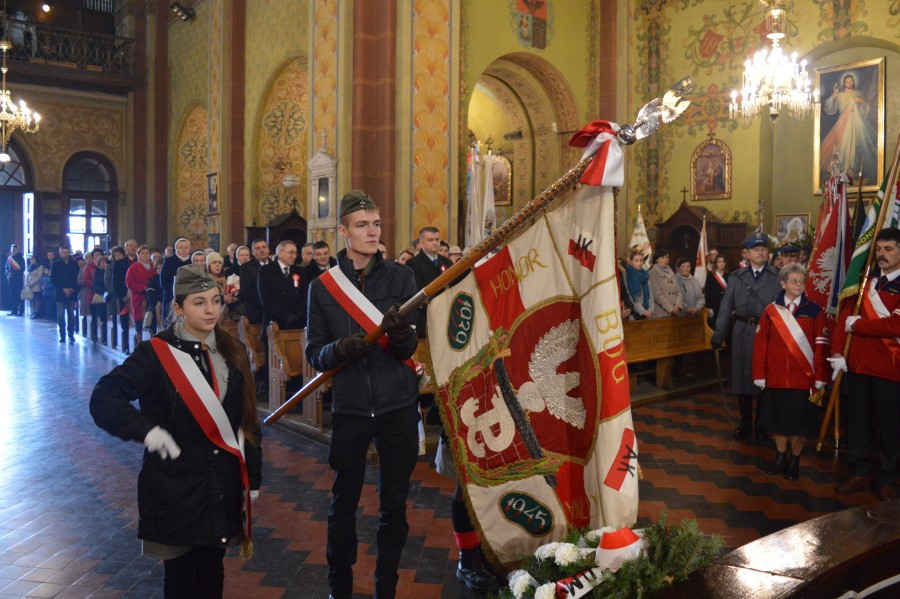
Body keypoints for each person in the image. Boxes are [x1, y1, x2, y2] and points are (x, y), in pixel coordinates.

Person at [89, 264, 262, 597]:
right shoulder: (154, 354)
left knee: (213, 572)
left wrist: (253, 476)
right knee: (180, 578)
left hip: (221, 485)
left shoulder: (233, 350)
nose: (211, 310)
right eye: (199, 302)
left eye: (215, 300)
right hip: (173, 485)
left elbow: (248, 420)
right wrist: (146, 430)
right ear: (178, 307)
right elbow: (104, 398)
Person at [306, 189, 419, 599]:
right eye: (362, 225)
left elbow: (409, 349)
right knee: (343, 505)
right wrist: (340, 350)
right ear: (343, 231)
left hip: (398, 405)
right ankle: (340, 586)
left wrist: (402, 333)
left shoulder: (402, 278)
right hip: (352, 408)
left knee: (395, 505)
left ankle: (385, 585)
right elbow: (314, 352)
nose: (372, 232)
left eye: (376, 224)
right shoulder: (322, 288)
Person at [830, 227, 900, 500]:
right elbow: (842, 320)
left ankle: (887, 476)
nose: (882, 255)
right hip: (858, 365)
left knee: (889, 425)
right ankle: (859, 471)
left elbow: (896, 324)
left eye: (889, 249)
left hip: (889, 368)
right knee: (857, 422)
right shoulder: (863, 284)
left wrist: (859, 326)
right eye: (879, 249)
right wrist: (837, 352)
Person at [752, 264, 828, 481]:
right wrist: (759, 374)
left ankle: (795, 461)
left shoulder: (814, 311)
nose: (798, 285)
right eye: (793, 281)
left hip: (802, 380)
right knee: (777, 423)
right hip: (775, 379)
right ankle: (780, 458)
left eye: (801, 281)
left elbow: (821, 345)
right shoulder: (770, 311)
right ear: (783, 283)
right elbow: (760, 345)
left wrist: (821, 376)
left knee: (797, 424)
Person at [712, 233, 781, 439]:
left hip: (767, 332)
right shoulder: (737, 277)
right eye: (756, 250)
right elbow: (725, 309)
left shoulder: (777, 276)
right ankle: (745, 423)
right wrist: (718, 335)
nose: (760, 252)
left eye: (763, 249)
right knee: (742, 377)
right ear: (748, 254)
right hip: (742, 331)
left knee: (763, 377)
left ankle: (761, 424)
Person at [821, 73, 878, 184]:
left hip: (856, 123)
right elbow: (829, 107)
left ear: (853, 82)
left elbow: (866, 107)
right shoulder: (840, 95)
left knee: (855, 147)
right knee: (843, 146)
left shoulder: (857, 93)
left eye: (851, 81)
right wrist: (835, 94)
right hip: (844, 123)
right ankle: (842, 171)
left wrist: (861, 102)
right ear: (844, 83)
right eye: (847, 81)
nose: (849, 83)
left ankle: (851, 171)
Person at [406, 226, 453, 337]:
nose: (435, 243)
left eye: (437, 239)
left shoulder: (447, 262)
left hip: (447, 315)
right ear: (421, 243)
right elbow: (416, 293)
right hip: (426, 316)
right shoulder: (413, 264)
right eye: (430, 240)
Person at [258, 240, 306, 331]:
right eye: (291, 253)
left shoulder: (300, 271)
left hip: (296, 323)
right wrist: (285, 315)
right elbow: (266, 298)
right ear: (280, 253)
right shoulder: (266, 271)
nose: (294, 256)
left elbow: (304, 296)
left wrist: (297, 315)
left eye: (296, 253)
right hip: (274, 322)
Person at [126, 245, 157, 345]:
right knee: (139, 321)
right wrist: (142, 287)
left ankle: (152, 343)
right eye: (142, 253)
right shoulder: (133, 267)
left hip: (152, 296)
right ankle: (140, 343)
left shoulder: (154, 266)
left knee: (152, 319)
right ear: (138, 255)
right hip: (139, 297)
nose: (145, 255)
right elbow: (129, 282)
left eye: (147, 253)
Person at [51, 245, 80, 343]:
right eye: (63, 252)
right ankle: (62, 334)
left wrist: (72, 289)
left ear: (69, 253)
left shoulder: (74, 264)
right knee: (60, 314)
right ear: (60, 253)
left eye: (67, 252)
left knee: (71, 314)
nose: (65, 254)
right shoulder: (56, 265)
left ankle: (71, 334)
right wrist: (63, 289)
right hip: (60, 293)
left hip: (72, 293)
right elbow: (53, 280)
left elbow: (77, 278)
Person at [114, 240, 139, 353]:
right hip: (125, 298)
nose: (132, 248)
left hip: (139, 297)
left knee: (138, 323)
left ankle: (138, 347)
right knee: (125, 324)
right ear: (125, 249)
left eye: (134, 246)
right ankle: (126, 347)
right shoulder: (119, 263)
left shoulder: (141, 261)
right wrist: (122, 295)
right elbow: (116, 282)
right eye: (130, 246)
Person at [239, 239, 271, 325]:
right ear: (253, 252)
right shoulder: (246, 268)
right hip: (256, 314)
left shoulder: (275, 266)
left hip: (274, 313)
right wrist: (266, 304)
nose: (262, 250)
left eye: (264, 247)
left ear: (268, 249)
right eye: (258, 248)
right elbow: (247, 292)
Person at [161, 238, 192, 320]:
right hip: (171, 296)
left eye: (186, 247)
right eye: (181, 247)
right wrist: (176, 293)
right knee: (171, 322)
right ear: (176, 249)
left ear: (190, 248)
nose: (184, 249)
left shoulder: (193, 260)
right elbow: (163, 282)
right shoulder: (169, 261)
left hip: (190, 296)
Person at [648, 249, 682, 317]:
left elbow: (679, 292)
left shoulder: (671, 272)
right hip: (661, 312)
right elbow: (657, 295)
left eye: (667, 257)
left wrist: (678, 306)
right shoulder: (652, 272)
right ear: (656, 259)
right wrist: (670, 309)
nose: (666, 259)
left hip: (675, 311)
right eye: (662, 257)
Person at [623, 250, 653, 320]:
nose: (639, 263)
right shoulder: (627, 275)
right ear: (631, 262)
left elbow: (650, 293)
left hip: (647, 311)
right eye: (636, 261)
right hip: (634, 313)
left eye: (641, 260)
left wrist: (651, 309)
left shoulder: (645, 274)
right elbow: (629, 295)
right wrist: (643, 311)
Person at [704, 254, 729, 328]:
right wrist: (709, 308)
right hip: (715, 307)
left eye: (723, 262)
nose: (721, 263)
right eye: (719, 262)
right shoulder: (711, 276)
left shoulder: (729, 275)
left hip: (727, 307)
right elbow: (708, 293)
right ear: (716, 264)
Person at [91, 255, 109, 342]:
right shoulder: (97, 272)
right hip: (101, 298)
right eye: (101, 262)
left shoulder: (110, 272)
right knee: (103, 318)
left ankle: (108, 338)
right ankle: (104, 337)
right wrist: (104, 291)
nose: (103, 264)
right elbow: (95, 286)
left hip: (110, 297)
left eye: (105, 262)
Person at [6, 243, 25, 316]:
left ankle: (21, 311)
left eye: (15, 249)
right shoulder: (9, 258)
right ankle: (14, 310)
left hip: (18, 279)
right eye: (12, 249)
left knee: (19, 295)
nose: (14, 251)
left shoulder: (21, 258)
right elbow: (6, 267)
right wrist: (8, 273)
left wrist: (14, 274)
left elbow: (22, 269)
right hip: (11, 279)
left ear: (18, 250)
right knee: (13, 295)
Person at [25, 254, 44, 319]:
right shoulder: (30, 266)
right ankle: (32, 312)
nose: (31, 260)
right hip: (30, 286)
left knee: (37, 299)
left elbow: (39, 276)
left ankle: (37, 312)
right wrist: (27, 283)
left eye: (33, 259)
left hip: (36, 285)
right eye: (31, 259)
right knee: (31, 299)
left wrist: (33, 283)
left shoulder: (40, 266)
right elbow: (27, 275)